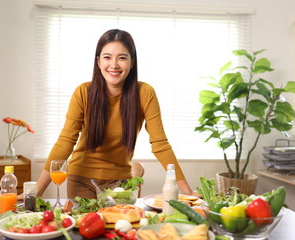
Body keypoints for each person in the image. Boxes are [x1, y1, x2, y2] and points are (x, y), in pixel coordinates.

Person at [33, 29, 198, 199]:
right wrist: (36, 191)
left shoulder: (145, 93)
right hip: (81, 180)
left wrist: (188, 191)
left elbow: (160, 144)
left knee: (123, 225)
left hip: (120, 182)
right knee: (83, 225)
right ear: (98, 62)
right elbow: (65, 142)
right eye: (107, 57)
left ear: (132, 62)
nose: (114, 65)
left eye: (122, 58)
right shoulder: (83, 92)